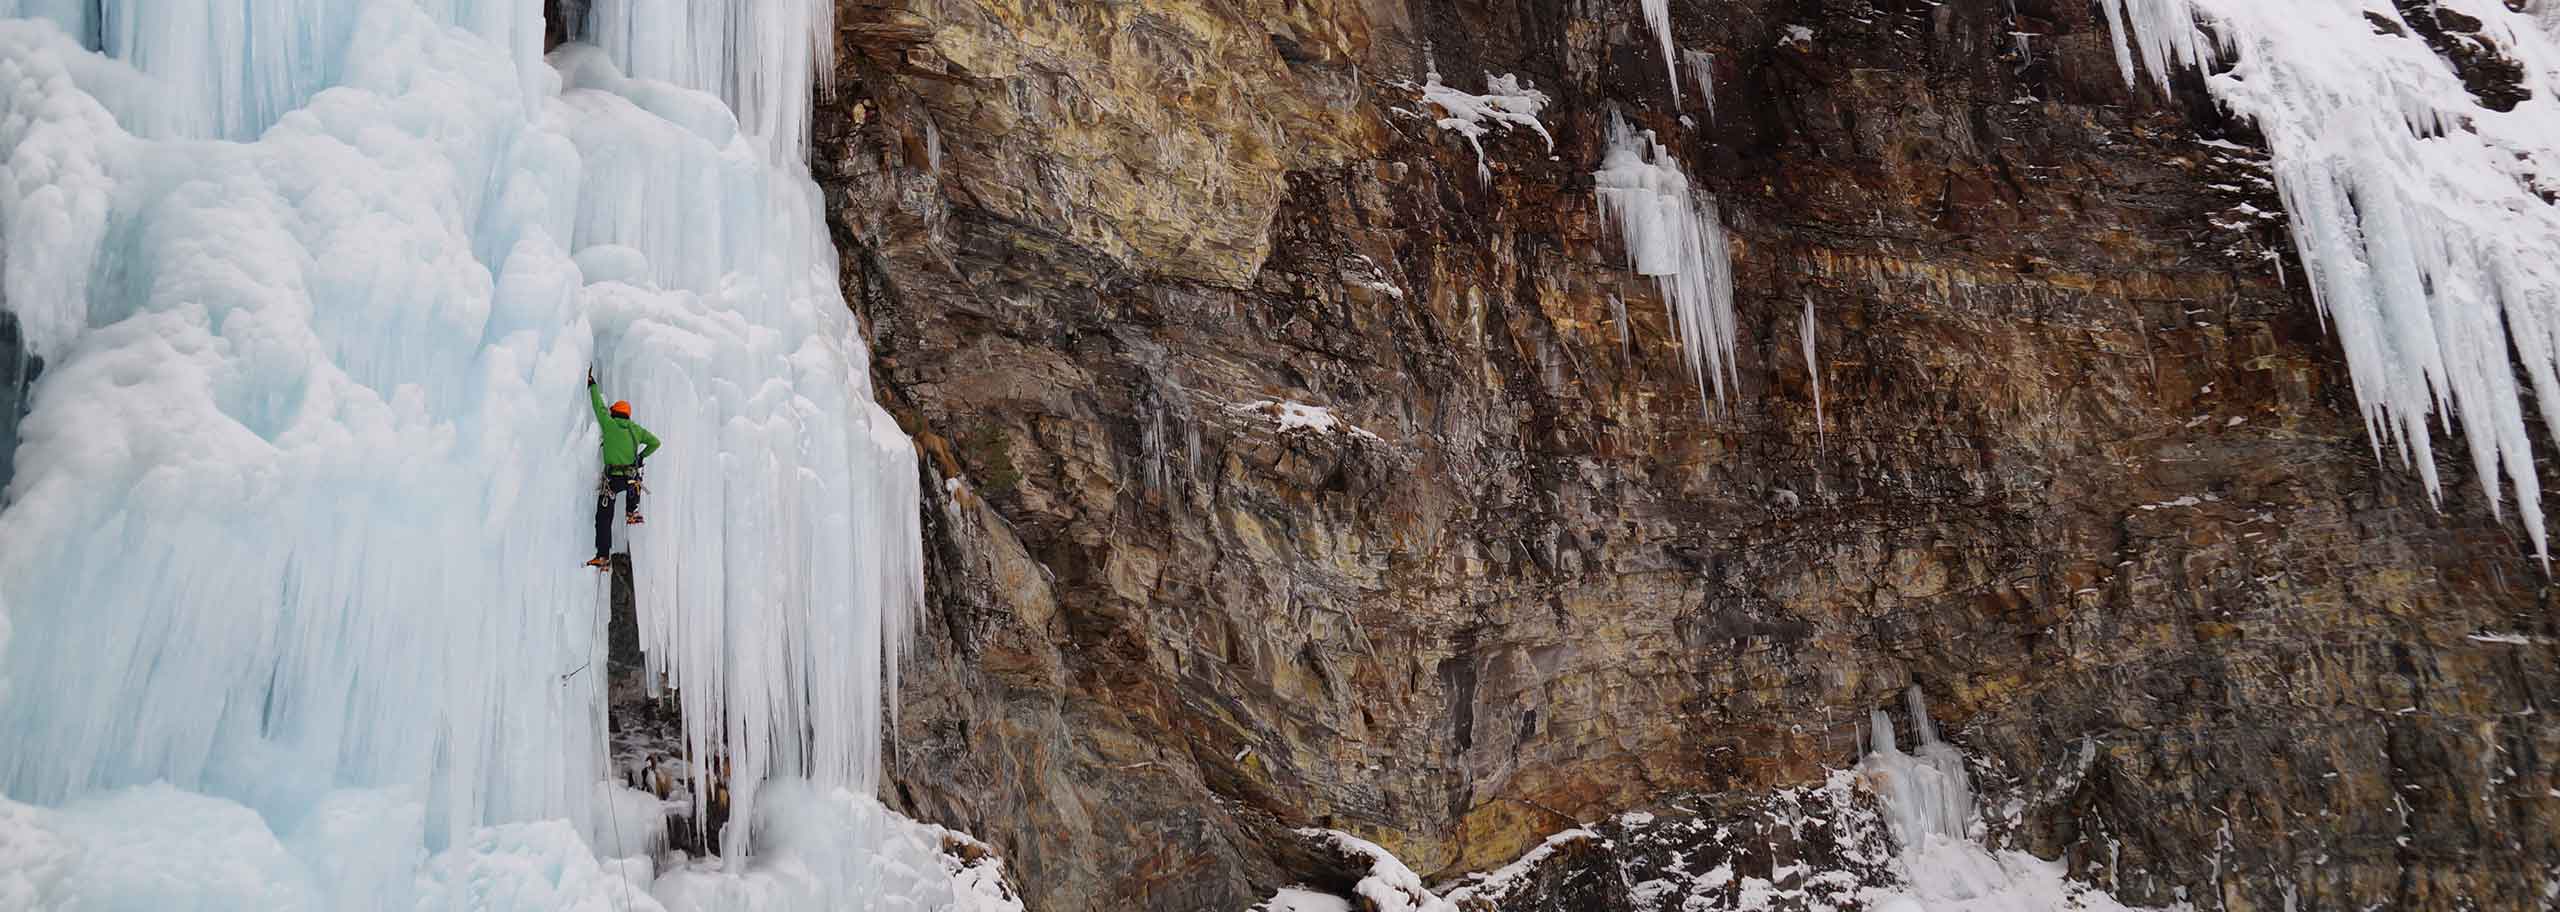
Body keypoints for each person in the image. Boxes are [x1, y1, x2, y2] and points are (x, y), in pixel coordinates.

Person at [588, 369, 660, 568]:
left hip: (612, 480)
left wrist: (592, 384)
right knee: (634, 481)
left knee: (604, 518)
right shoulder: (636, 429)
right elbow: (656, 442)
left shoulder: (608, 423)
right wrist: (641, 456)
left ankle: (603, 556)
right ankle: (631, 511)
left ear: (614, 412)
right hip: (629, 479)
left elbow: (597, 406)